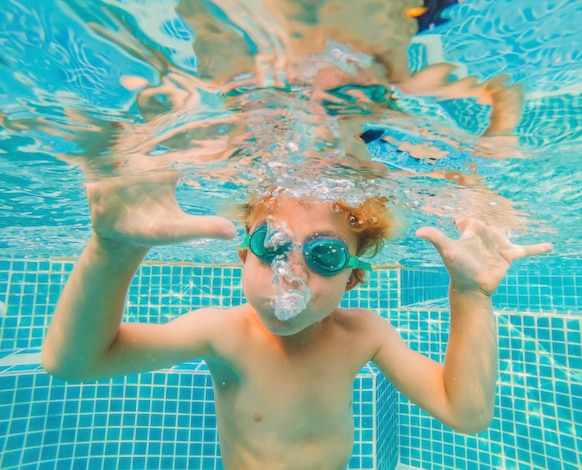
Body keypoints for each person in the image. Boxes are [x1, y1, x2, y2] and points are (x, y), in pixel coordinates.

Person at [42, 169, 553, 469]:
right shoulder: (223, 333)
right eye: (273, 246)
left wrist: (471, 295)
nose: (291, 277)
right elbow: (73, 363)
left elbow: (466, 414)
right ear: (244, 255)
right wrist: (110, 250)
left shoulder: (363, 335)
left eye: (326, 256)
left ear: (352, 278)